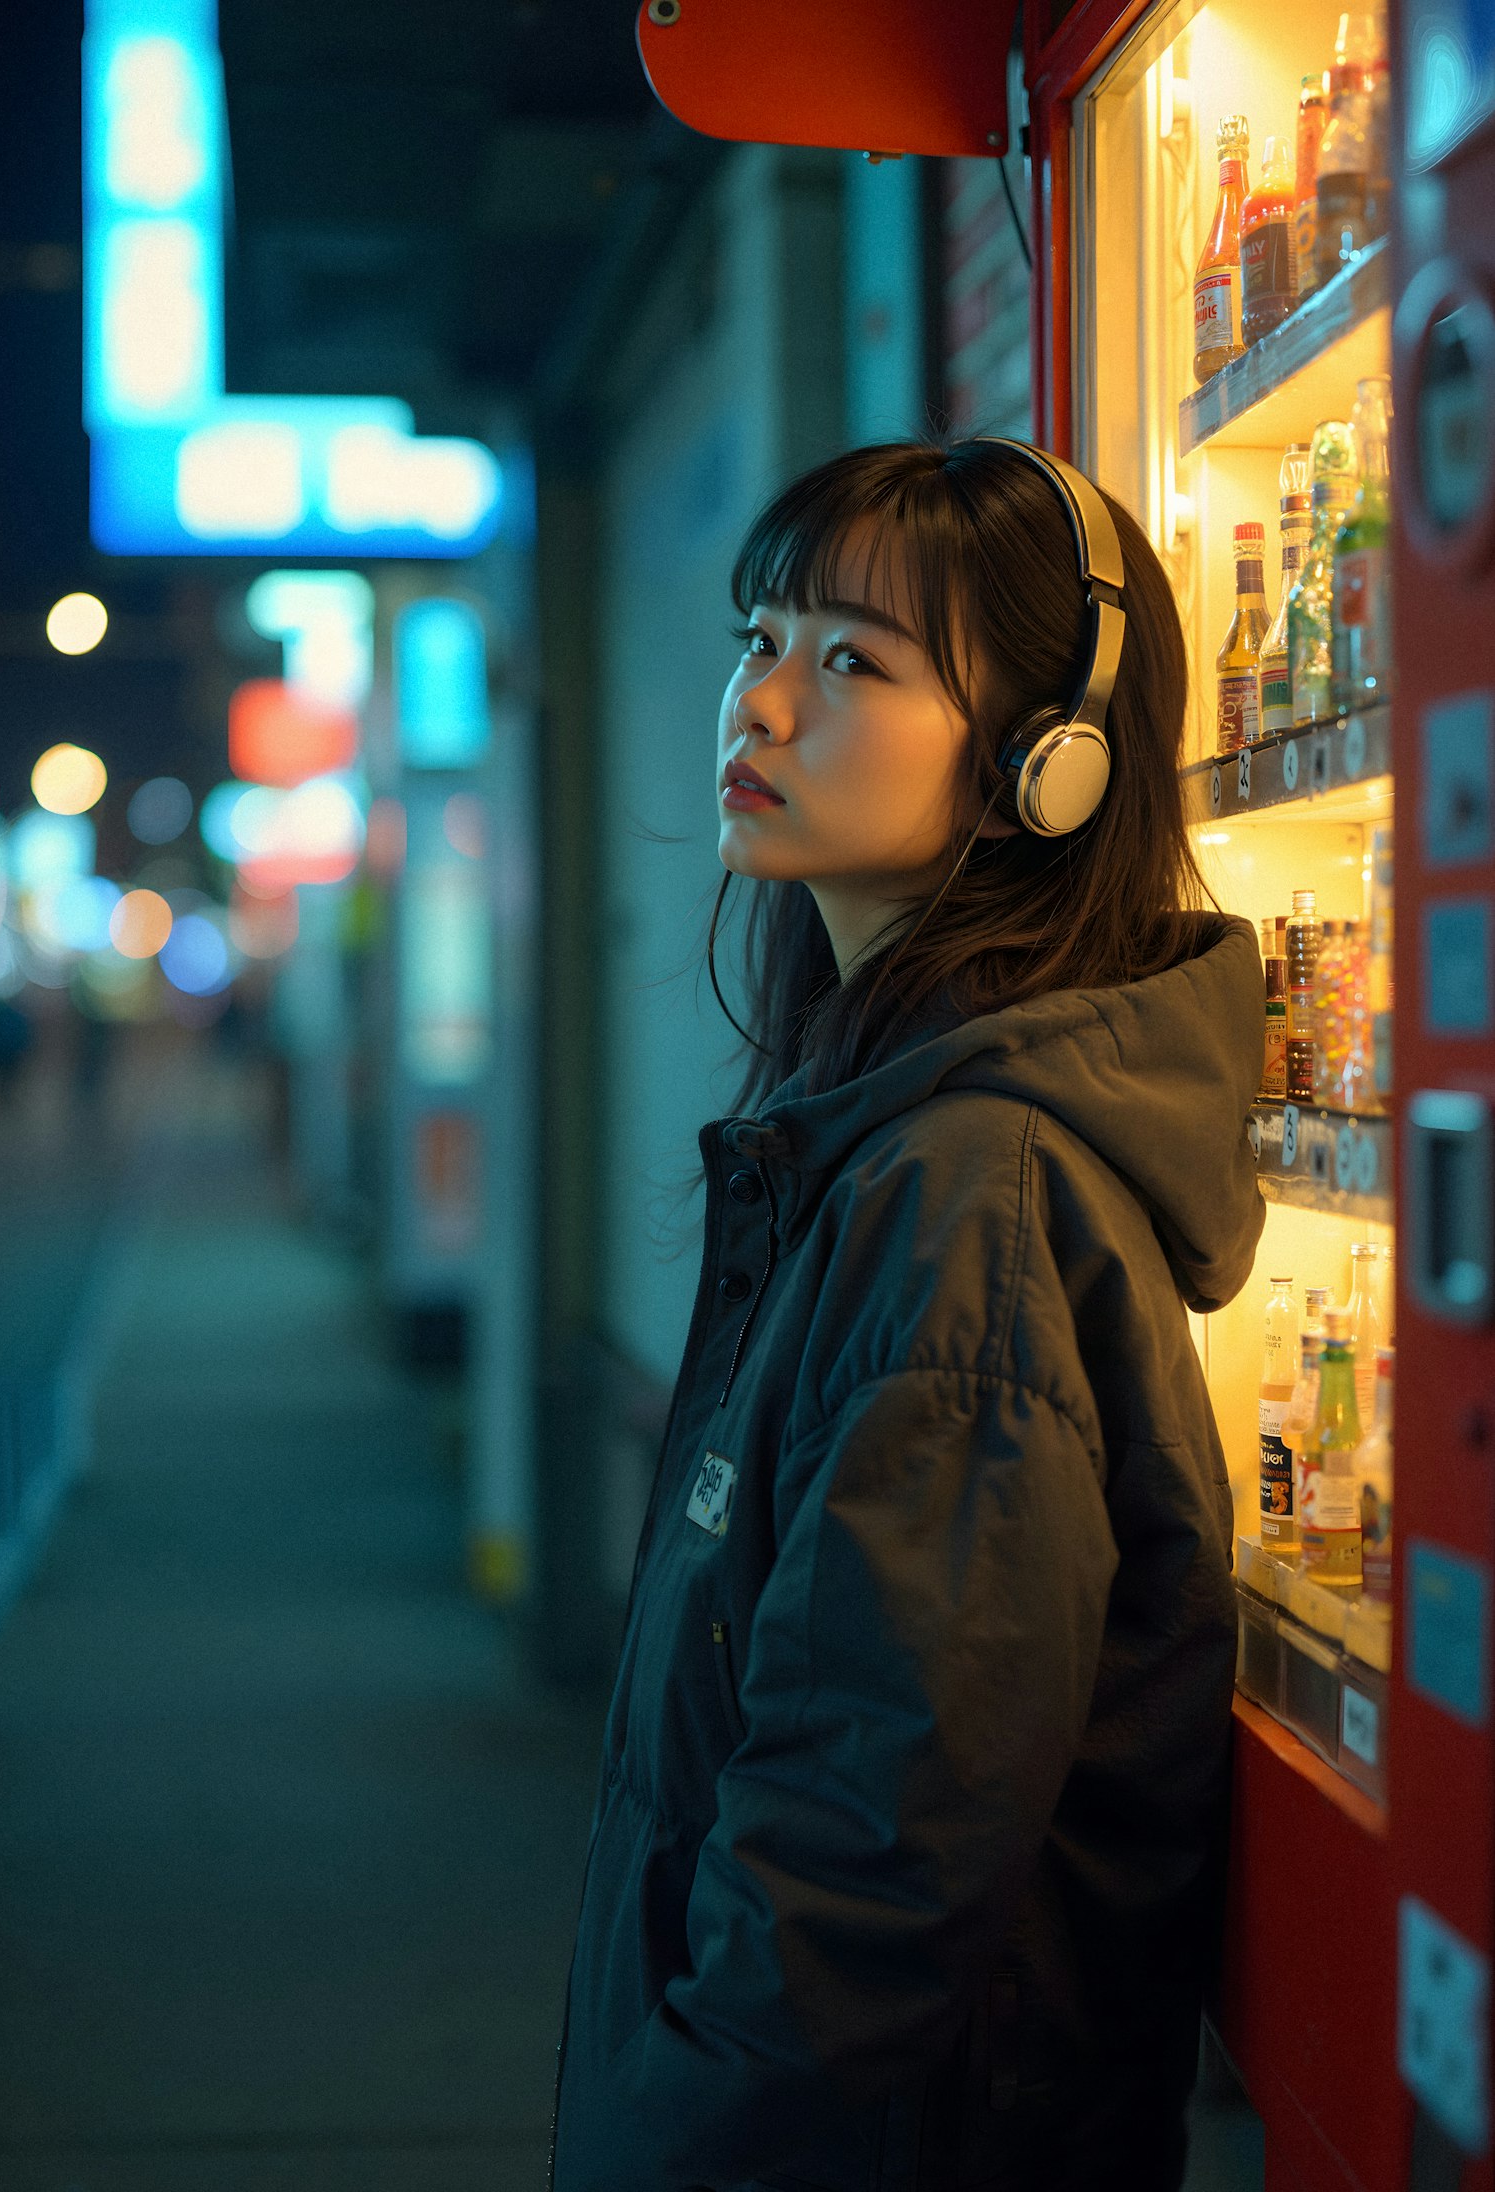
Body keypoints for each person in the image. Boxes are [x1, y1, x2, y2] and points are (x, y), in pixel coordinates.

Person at [548, 437, 1265, 2192]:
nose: (763, 704)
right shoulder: (881, 1135)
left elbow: (868, 1853)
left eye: (853, 661)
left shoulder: (970, 1201)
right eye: (760, 636)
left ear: (1051, 762)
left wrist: (666, 2148)